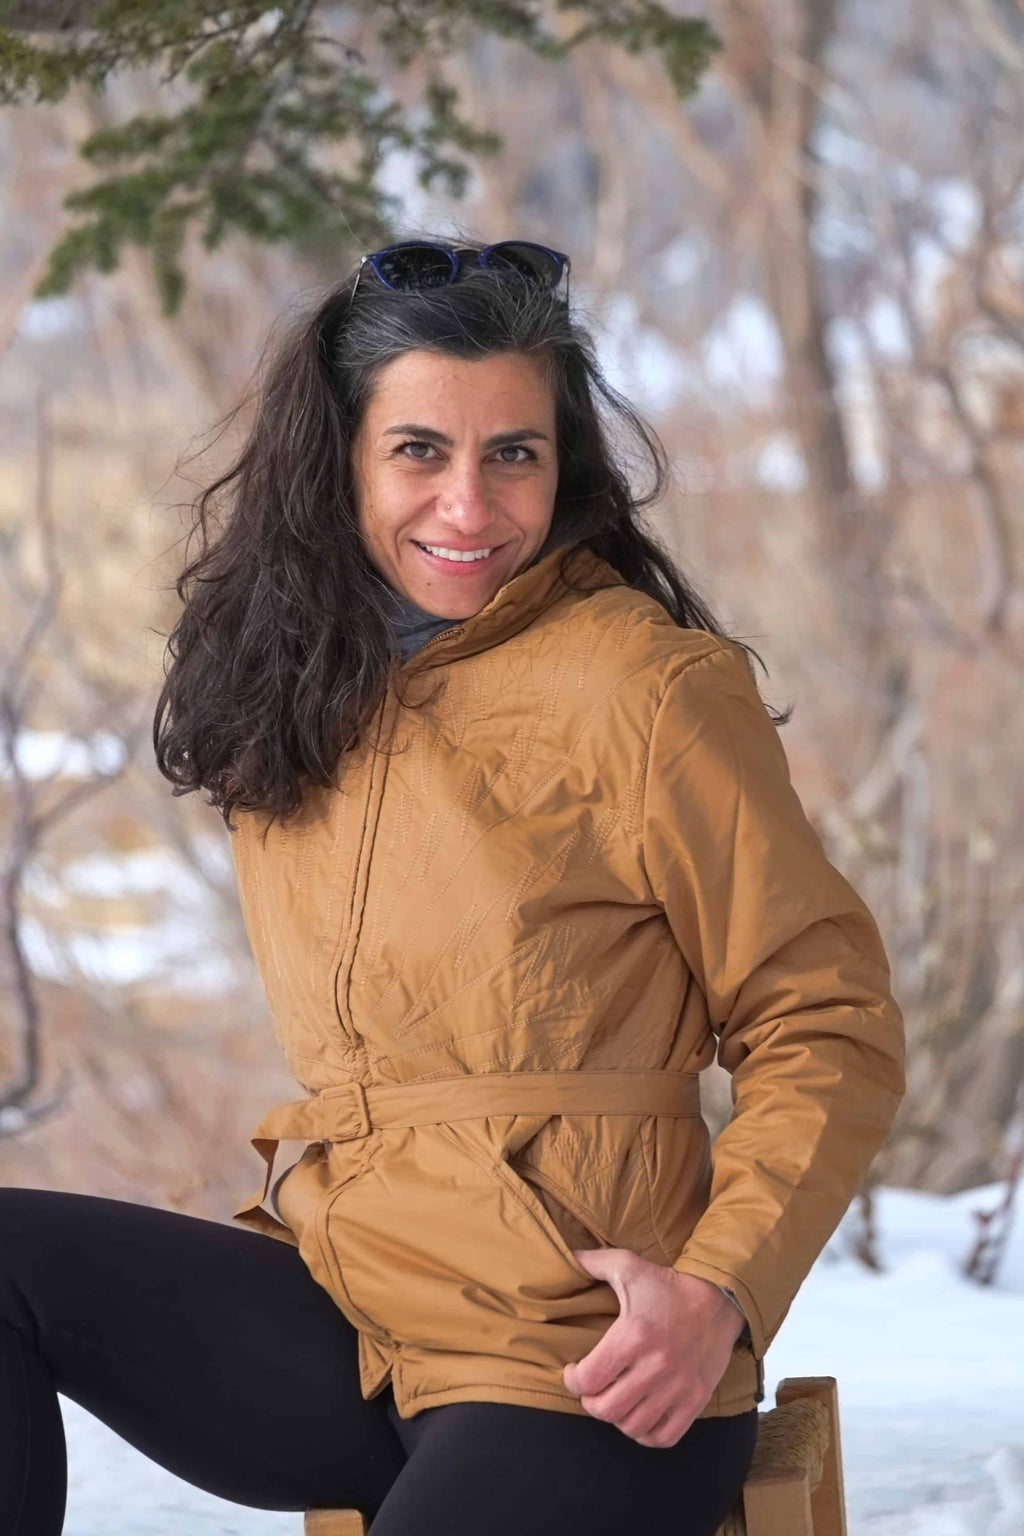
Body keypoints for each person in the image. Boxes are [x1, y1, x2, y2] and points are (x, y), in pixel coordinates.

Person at [0, 234, 906, 1535]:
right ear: (344, 461)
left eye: (513, 454)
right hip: (358, 1305)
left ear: (564, 462)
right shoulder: (301, 684)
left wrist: (717, 1292)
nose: (470, 508)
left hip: (585, 1352)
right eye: (421, 450)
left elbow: (829, 1022)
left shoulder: (643, 690)